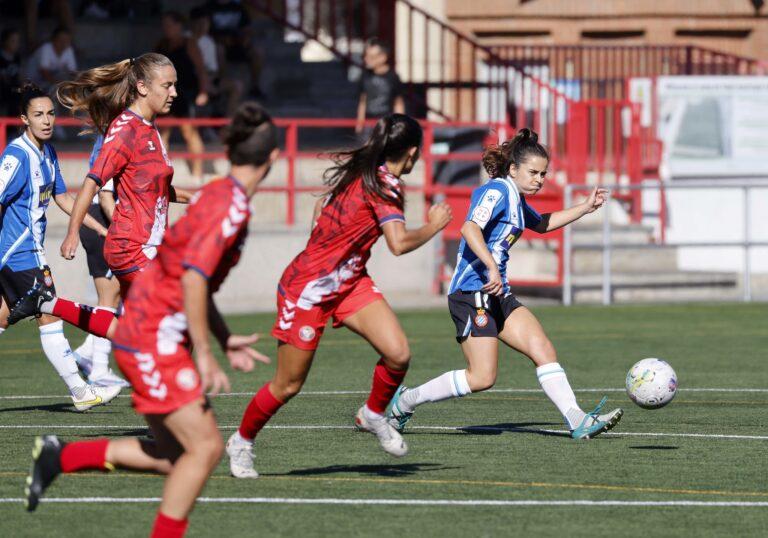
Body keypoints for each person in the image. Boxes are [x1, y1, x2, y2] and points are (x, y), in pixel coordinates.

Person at [24, 102, 277, 538]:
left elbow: (191, 275)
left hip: (147, 331)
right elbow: (194, 279)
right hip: (150, 338)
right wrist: (204, 351)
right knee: (206, 449)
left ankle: (60, 457)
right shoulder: (230, 207)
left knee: (179, 454)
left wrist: (224, 336)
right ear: (272, 161)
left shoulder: (218, 195)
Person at [226, 113, 452, 478]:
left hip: (349, 282)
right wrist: (434, 226)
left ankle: (374, 414)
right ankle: (241, 441)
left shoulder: (367, 170)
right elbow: (397, 244)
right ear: (411, 153)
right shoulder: (383, 185)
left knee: (398, 354)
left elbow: (321, 206)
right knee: (288, 385)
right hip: (308, 290)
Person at [385, 128, 624, 440]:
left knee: (542, 348)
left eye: (544, 173)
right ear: (513, 169)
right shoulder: (496, 191)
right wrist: (490, 267)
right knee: (482, 377)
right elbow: (469, 228)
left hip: (498, 292)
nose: (540, 179)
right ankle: (405, 402)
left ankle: (577, 420)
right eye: (534, 172)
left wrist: (584, 207)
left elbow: (542, 224)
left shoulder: (516, 197)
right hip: (472, 292)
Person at [7, 53, 194, 339]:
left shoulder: (150, 127)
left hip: (149, 243)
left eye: (175, 85)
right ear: (142, 87)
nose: (174, 93)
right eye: (167, 85)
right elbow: (91, 185)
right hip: (132, 245)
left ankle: (49, 303)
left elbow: (153, 190)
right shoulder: (124, 131)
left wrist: (198, 198)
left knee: (136, 334)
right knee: (177, 325)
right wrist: (72, 233)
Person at [0, 82, 120, 410]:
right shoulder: (16, 156)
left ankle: (82, 390)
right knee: (49, 313)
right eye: (38, 115)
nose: (47, 120)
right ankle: (81, 391)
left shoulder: (48, 153)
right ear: (23, 119)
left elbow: (64, 197)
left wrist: (98, 228)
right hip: (18, 255)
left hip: (26, 255)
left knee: (3, 317)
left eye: (50, 113)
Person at [70, 134, 128, 388]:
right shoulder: (116, 138)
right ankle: (100, 370)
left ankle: (87, 352)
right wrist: (125, 234)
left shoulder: (115, 135)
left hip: (103, 219)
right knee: (110, 297)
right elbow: (106, 197)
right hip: (103, 221)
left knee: (126, 297)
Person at [156, 11, 209, 185]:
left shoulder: (189, 44)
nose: (166, 29)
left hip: (186, 93)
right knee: (162, 133)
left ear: (179, 26)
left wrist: (203, 92)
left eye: (170, 25)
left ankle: (198, 173)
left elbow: (201, 70)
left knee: (190, 132)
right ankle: (160, 174)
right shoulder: (161, 45)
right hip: (164, 94)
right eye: (164, 26)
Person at [355, 39, 405, 136]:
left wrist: (400, 126)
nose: (367, 59)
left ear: (383, 57)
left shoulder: (393, 77)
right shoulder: (365, 75)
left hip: (387, 123)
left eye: (371, 57)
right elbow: (362, 101)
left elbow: (398, 102)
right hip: (368, 124)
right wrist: (359, 124)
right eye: (365, 56)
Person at [30, 26, 77, 91]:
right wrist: (58, 84)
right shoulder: (46, 48)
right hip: (33, 79)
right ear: (54, 40)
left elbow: (73, 72)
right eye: (61, 40)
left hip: (50, 78)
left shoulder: (69, 50)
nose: (64, 43)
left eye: (67, 40)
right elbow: (44, 71)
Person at [0, 28, 22, 118]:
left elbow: (19, 76)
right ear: (5, 41)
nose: (16, 44)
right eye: (13, 41)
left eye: (18, 41)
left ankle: (17, 127)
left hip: (13, 89)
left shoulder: (17, 57)